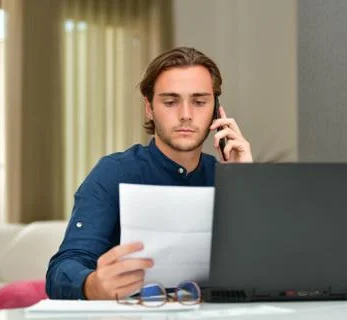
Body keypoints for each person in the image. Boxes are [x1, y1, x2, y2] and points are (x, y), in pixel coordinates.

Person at [46, 47, 253, 300]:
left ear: (216, 110)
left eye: (199, 102)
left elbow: (268, 268)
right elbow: (61, 270)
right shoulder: (113, 172)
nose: (186, 115)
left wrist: (245, 181)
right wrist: (91, 285)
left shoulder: (227, 175)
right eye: (170, 102)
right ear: (149, 107)